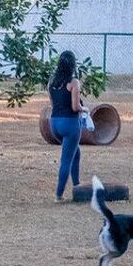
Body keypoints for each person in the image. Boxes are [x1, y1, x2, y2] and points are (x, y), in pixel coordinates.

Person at [48, 50, 86, 203]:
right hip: (70, 124)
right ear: (73, 65)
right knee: (66, 160)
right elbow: (75, 107)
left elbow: (52, 103)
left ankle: (77, 185)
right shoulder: (74, 82)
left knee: (75, 152)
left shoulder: (51, 81)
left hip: (54, 124)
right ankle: (59, 194)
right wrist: (85, 109)